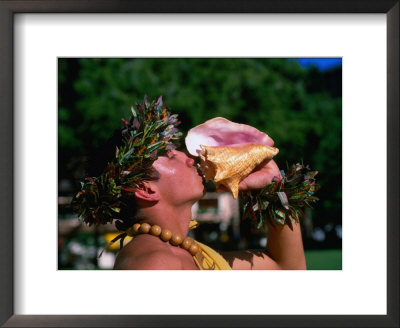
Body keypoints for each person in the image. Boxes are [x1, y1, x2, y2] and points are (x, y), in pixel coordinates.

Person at [72, 95, 310, 270]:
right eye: (170, 154)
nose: (188, 157)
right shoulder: (154, 263)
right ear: (145, 189)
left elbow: (286, 267)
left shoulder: (186, 253)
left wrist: (274, 187)